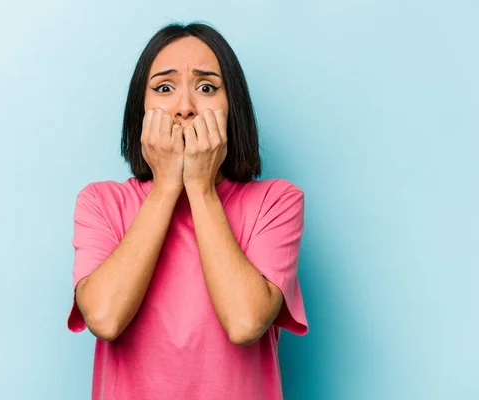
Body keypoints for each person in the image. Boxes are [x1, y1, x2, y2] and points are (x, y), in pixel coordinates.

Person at [67, 22, 308, 400]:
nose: (184, 107)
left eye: (207, 87)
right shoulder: (100, 203)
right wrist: (165, 187)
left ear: (233, 108)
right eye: (164, 88)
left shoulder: (276, 202)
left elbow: (246, 322)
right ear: (140, 109)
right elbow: (105, 318)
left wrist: (200, 187)